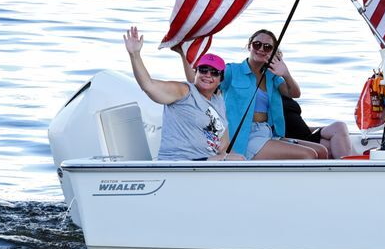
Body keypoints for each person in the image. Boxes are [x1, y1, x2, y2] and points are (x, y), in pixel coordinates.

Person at [123, 26, 241, 162]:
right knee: (238, 161)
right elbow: (148, 85)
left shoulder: (217, 100)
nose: (208, 75)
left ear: (221, 80)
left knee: (241, 159)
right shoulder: (184, 92)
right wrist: (134, 54)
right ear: (196, 72)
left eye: (214, 72)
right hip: (182, 163)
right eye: (203, 70)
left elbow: (223, 146)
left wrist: (182, 53)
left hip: (207, 161)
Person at [209, 30, 325, 160]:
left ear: (272, 51)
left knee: (321, 151)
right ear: (249, 46)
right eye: (257, 44)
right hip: (244, 136)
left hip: (268, 132)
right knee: (309, 155)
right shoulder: (232, 70)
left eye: (267, 47)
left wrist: (285, 73)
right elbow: (205, 82)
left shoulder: (272, 76)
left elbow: (294, 93)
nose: (261, 49)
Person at [281, 94, 354, 159]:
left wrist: (318, 128)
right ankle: (347, 168)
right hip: (292, 140)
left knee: (339, 126)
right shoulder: (271, 100)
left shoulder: (285, 95)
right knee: (330, 146)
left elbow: (295, 124)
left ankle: (347, 167)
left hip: (306, 135)